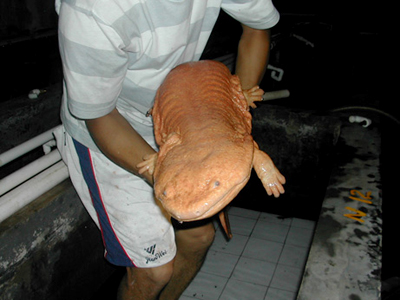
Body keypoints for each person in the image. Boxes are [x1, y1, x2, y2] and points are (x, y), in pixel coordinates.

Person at [54, 0, 280, 299]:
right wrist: (165, 171)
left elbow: (257, 25)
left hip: (185, 112)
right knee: (153, 271)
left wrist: (232, 112)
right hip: (111, 121)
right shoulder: (93, 9)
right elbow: (98, 116)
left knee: (199, 236)